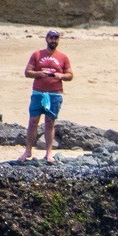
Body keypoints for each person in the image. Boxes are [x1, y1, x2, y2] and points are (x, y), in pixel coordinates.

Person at [18, 30, 74, 163]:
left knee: (50, 123)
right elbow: (27, 72)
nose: (54, 40)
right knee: (33, 121)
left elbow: (70, 75)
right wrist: (39, 73)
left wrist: (61, 76)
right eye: (51, 38)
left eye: (56, 38)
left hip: (54, 94)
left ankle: (49, 153)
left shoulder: (63, 57)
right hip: (38, 93)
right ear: (46, 39)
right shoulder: (37, 54)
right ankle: (28, 151)